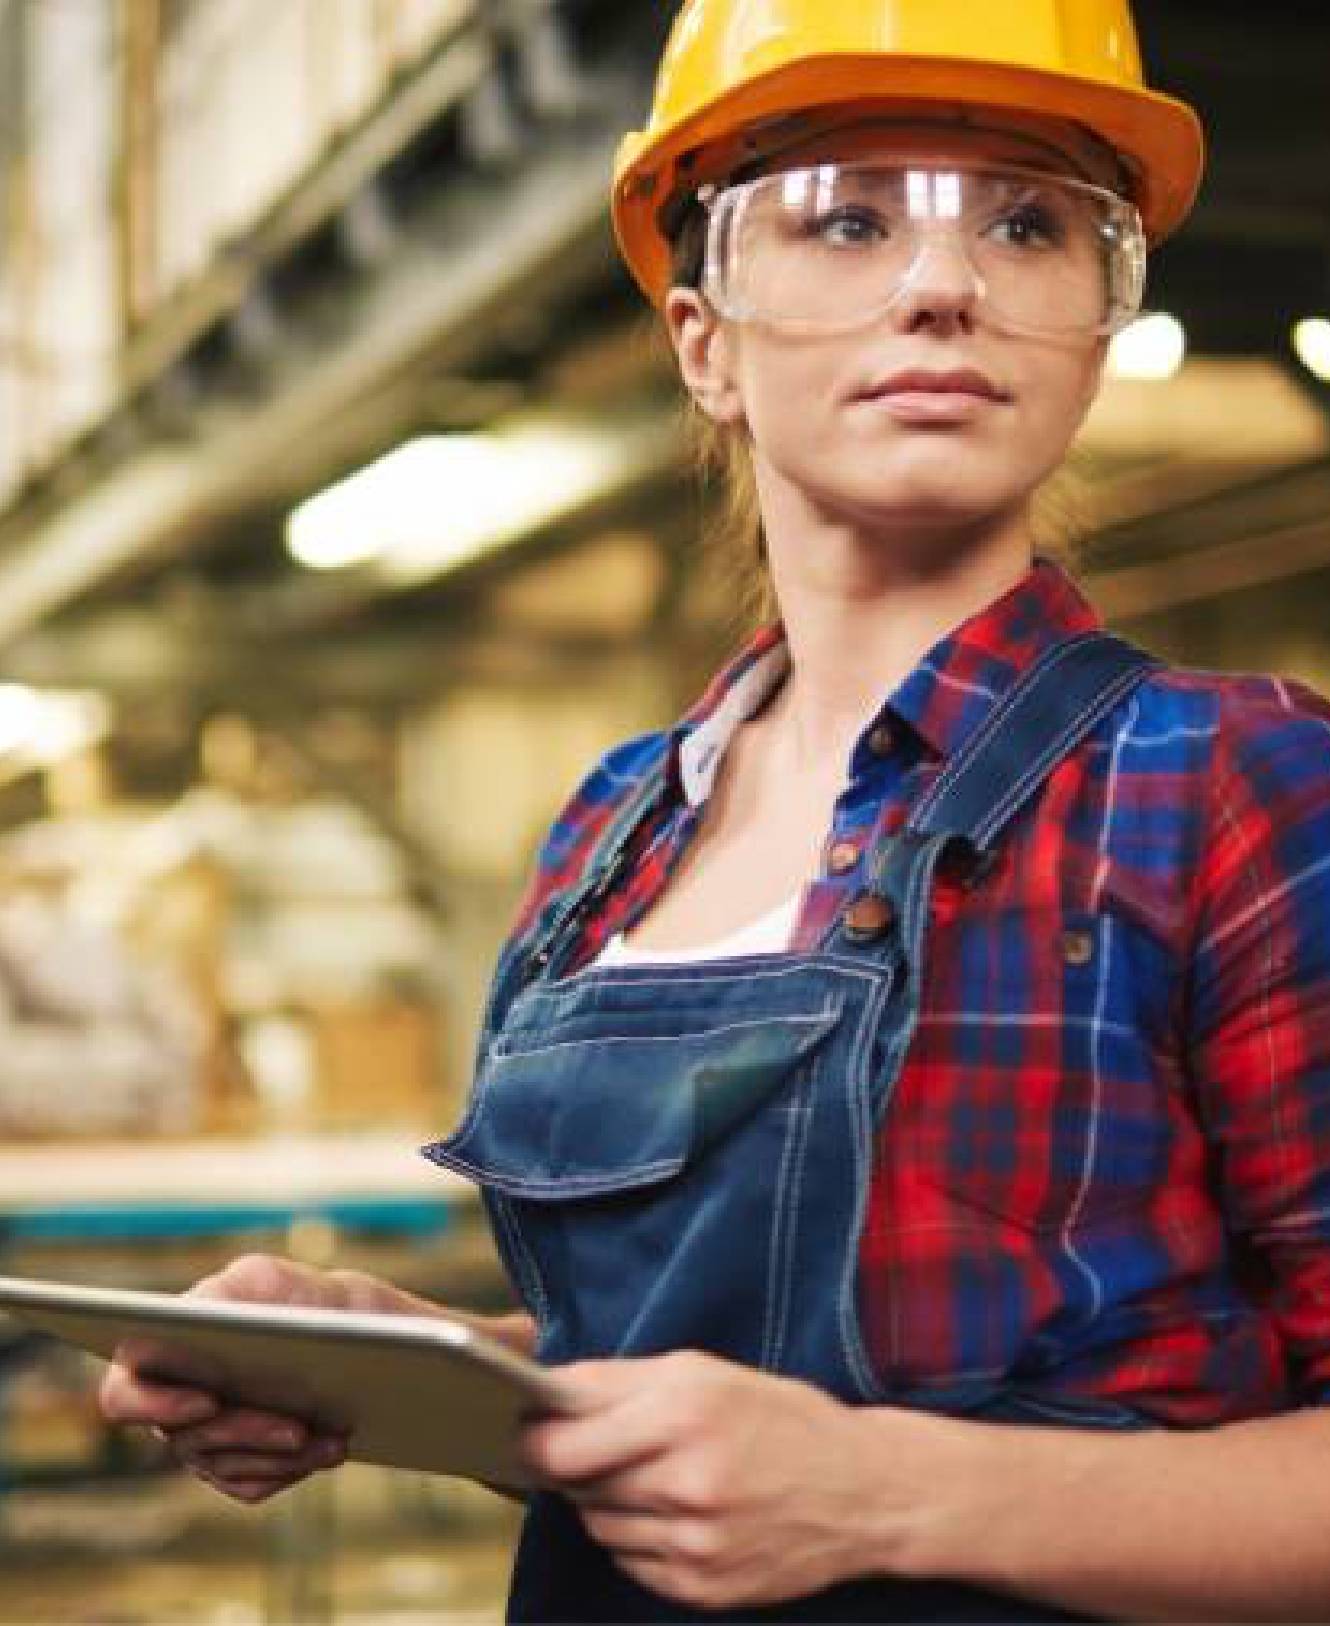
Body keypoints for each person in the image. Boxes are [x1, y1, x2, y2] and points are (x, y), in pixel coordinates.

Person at [101, 1, 1330, 1621]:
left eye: (1027, 222)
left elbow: (832, 1462)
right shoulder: (620, 821)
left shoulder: (1226, 781)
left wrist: (888, 1495)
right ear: (705, 341)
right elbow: (694, 1386)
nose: (944, 280)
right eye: (845, 218)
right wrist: (420, 1365)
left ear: (1092, 325)